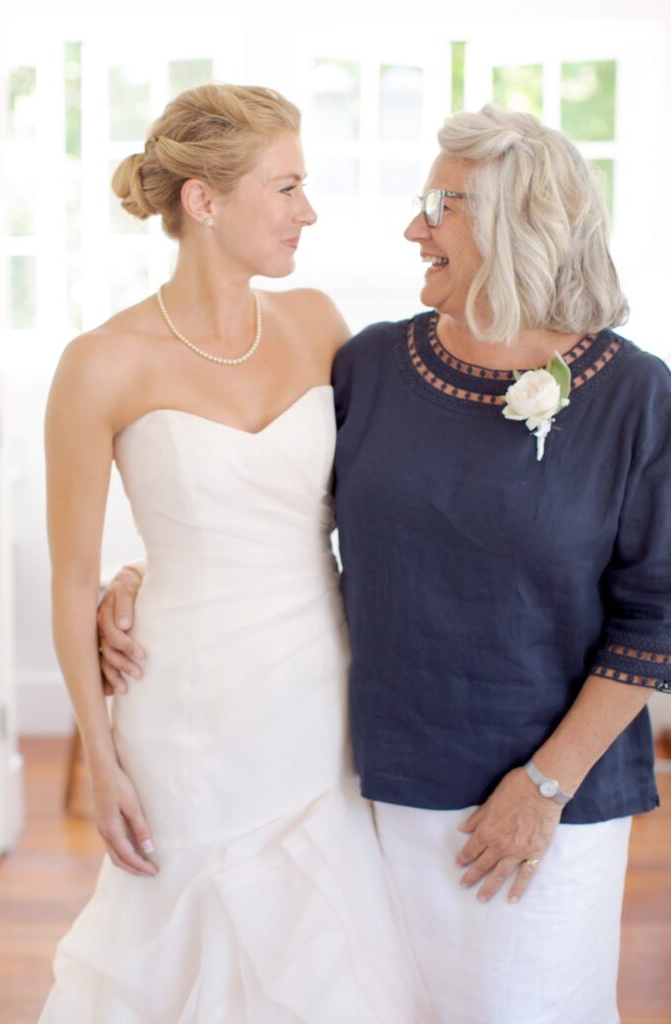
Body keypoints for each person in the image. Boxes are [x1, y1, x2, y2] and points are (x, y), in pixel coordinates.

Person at [101, 104, 671, 1024]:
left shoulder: (634, 395)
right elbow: (268, 511)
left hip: (547, 813)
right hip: (381, 793)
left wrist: (545, 786)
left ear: (514, 219)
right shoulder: (372, 366)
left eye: (440, 206)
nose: (415, 228)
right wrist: (138, 582)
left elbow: (657, 617)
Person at [40, 83, 425, 1024]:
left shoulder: (318, 323)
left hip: (319, 692)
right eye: (286, 187)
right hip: (185, 712)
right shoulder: (101, 364)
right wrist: (100, 753)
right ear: (202, 202)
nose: (309, 211)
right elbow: (67, 579)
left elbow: (373, 506)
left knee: (329, 958)